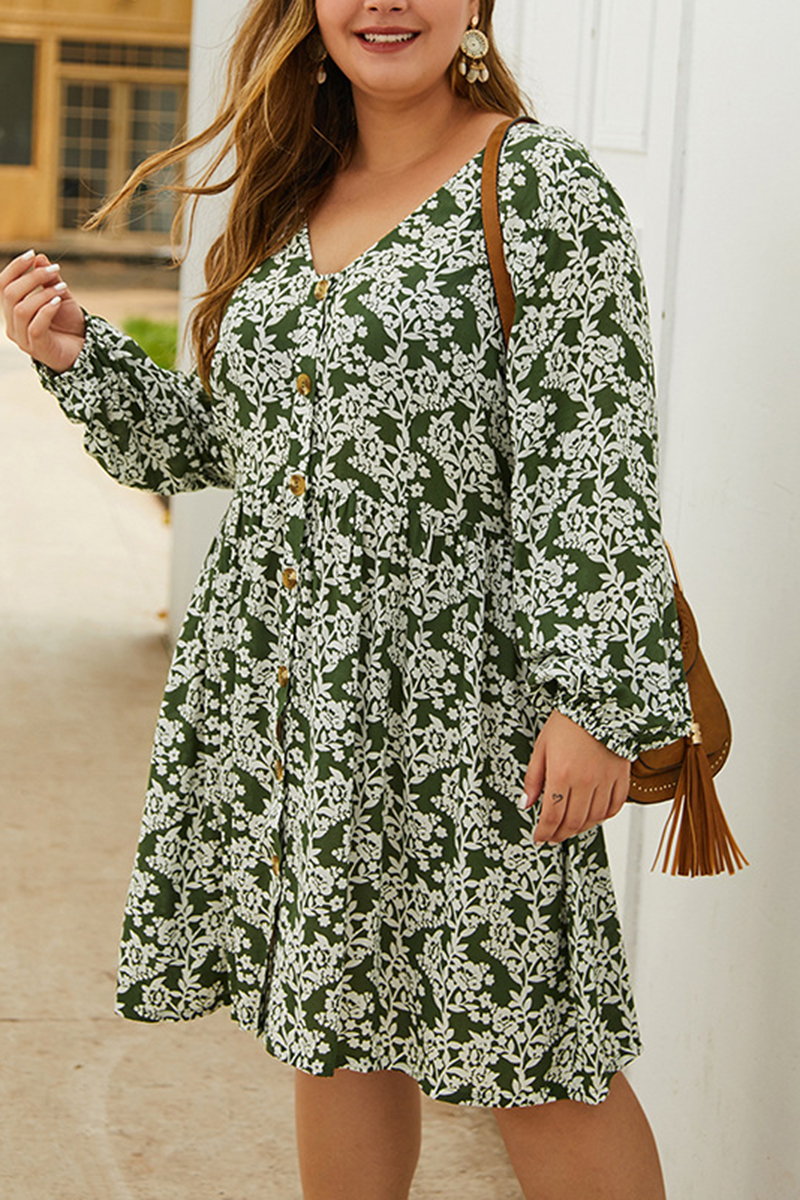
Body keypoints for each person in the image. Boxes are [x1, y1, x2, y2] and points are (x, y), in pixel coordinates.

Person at [1, 2, 694, 1197]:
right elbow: (238, 449)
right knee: (329, 1028)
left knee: (534, 1055)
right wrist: (79, 356)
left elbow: (591, 461)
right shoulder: (292, 193)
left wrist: (593, 700)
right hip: (295, 703)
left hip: (467, 711)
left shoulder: (537, 188)